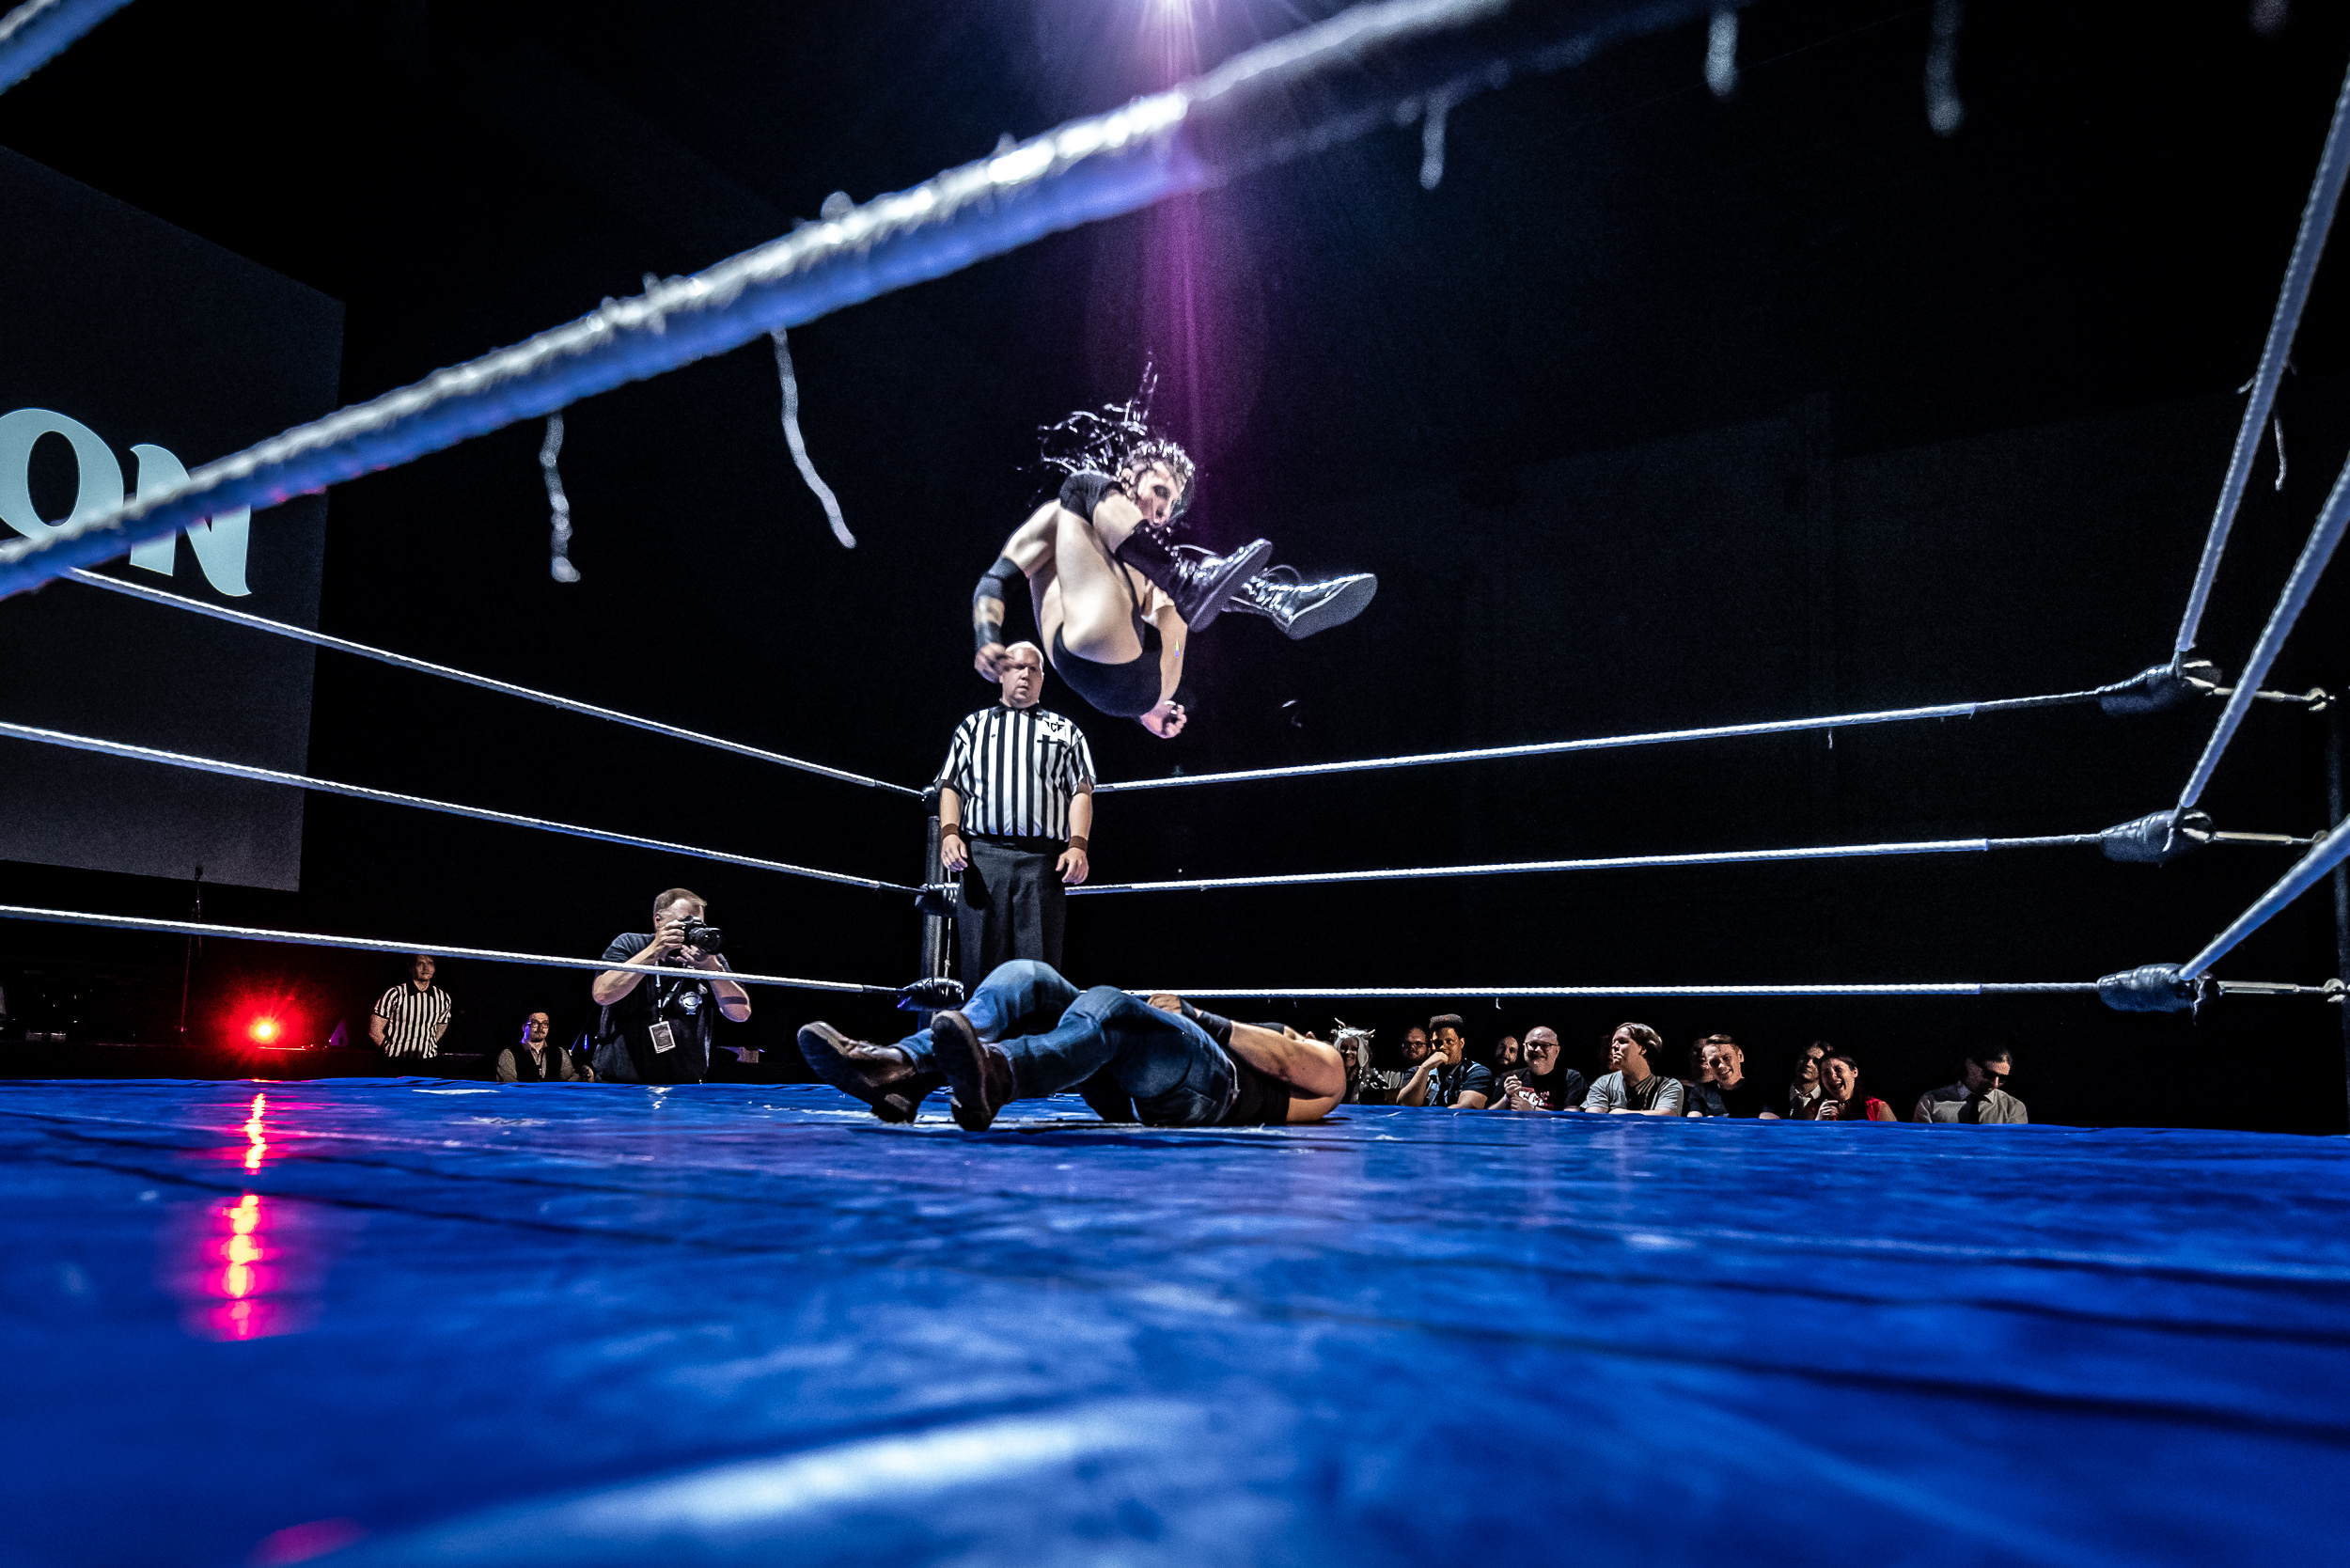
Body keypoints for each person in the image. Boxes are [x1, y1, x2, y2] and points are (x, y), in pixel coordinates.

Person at [970, 390, 1375, 729]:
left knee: (1186, 573)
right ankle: (1227, 592)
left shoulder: (1145, 562)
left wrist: (1145, 706)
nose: (1164, 513)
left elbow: (1167, 635)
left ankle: (1280, 600)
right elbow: (996, 581)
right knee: (1079, 488)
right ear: (1128, 475)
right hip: (1097, 654)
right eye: (1161, 492)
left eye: (1172, 507)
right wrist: (987, 637)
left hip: (1151, 675)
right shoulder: (1062, 519)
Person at [794, 961, 1344, 1130]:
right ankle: (900, 1068)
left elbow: (1298, 1065)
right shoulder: (1267, 1039)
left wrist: (1199, 1015)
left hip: (1212, 1092)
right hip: (1133, 1090)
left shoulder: (1328, 1068)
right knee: (1029, 975)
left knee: (1110, 1005)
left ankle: (996, 1076)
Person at [937, 640, 1097, 980]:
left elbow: (1081, 790)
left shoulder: (1065, 730)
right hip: (983, 859)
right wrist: (949, 834)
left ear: (1042, 678)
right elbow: (951, 784)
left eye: (1033, 669)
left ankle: (1036, 1019)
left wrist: (1078, 845)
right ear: (1000, 674)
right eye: (1015, 667)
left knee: (1038, 971)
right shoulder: (973, 726)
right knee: (980, 967)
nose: (1024, 674)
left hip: (1041, 862)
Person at [588, 887, 751, 1084]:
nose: (691, 931)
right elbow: (602, 994)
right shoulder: (631, 944)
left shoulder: (708, 959)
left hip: (685, 1085)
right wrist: (654, 952)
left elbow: (741, 1013)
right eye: (685, 923)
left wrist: (713, 970)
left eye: (698, 925)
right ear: (658, 920)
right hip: (620, 1083)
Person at [1576, 1023, 1684, 1115]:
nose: (1614, 1046)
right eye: (1614, 1042)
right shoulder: (1603, 1083)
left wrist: (1618, 1113)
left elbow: (1665, 1115)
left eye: (1622, 1041)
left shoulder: (1668, 1086)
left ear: (1642, 1049)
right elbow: (1594, 1116)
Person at [368, 953, 451, 1070]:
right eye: (420, 963)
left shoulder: (442, 997)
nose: (425, 967)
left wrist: (426, 1045)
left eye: (430, 963)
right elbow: (374, 1031)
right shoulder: (395, 994)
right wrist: (392, 1049)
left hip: (427, 1062)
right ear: (411, 968)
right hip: (395, 1062)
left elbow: (441, 1026)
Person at [1399, 1014, 1493, 1108]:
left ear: (1461, 1043)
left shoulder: (1477, 1072)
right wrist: (1424, 1069)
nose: (1442, 1047)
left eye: (1449, 1041)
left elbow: (1465, 1109)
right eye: (1437, 1043)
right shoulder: (1416, 1072)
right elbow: (1405, 1105)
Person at [1912, 1048, 2027, 1123]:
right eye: (1989, 1075)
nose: (1995, 1084)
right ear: (1970, 1065)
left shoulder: (2013, 1107)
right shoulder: (1931, 1102)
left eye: (2002, 1079)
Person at [1496, 1026, 1588, 1111]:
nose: (1538, 1049)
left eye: (1545, 1045)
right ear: (1524, 1048)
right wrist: (1506, 1098)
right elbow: (1489, 1114)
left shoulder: (1572, 1079)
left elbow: (1571, 1118)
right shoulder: (1510, 1076)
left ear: (1557, 1051)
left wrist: (1532, 1110)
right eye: (1533, 1044)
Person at [1684, 1035, 1772, 1118]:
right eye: (1714, 1062)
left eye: (1727, 1058)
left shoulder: (1761, 1090)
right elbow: (1694, 1117)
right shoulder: (1700, 1091)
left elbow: (1769, 1118)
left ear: (1740, 1056)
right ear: (1707, 1066)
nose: (1721, 1066)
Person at [494, 1011, 579, 1083]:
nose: (540, 1027)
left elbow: (572, 1081)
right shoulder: (509, 1054)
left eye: (545, 1024)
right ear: (524, 1027)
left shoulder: (559, 1052)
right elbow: (509, 1086)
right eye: (534, 1023)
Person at [1815, 1050, 1897, 1122]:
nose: (1832, 1077)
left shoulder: (1878, 1107)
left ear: (1854, 1072)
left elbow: (1895, 1135)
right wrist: (1818, 1121)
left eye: (1838, 1069)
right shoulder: (1816, 1109)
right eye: (1826, 1073)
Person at [1787, 1040, 1830, 1119]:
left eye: (1816, 1061)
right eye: (1805, 1058)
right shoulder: (1775, 1094)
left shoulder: (1828, 1099)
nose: (1808, 1064)